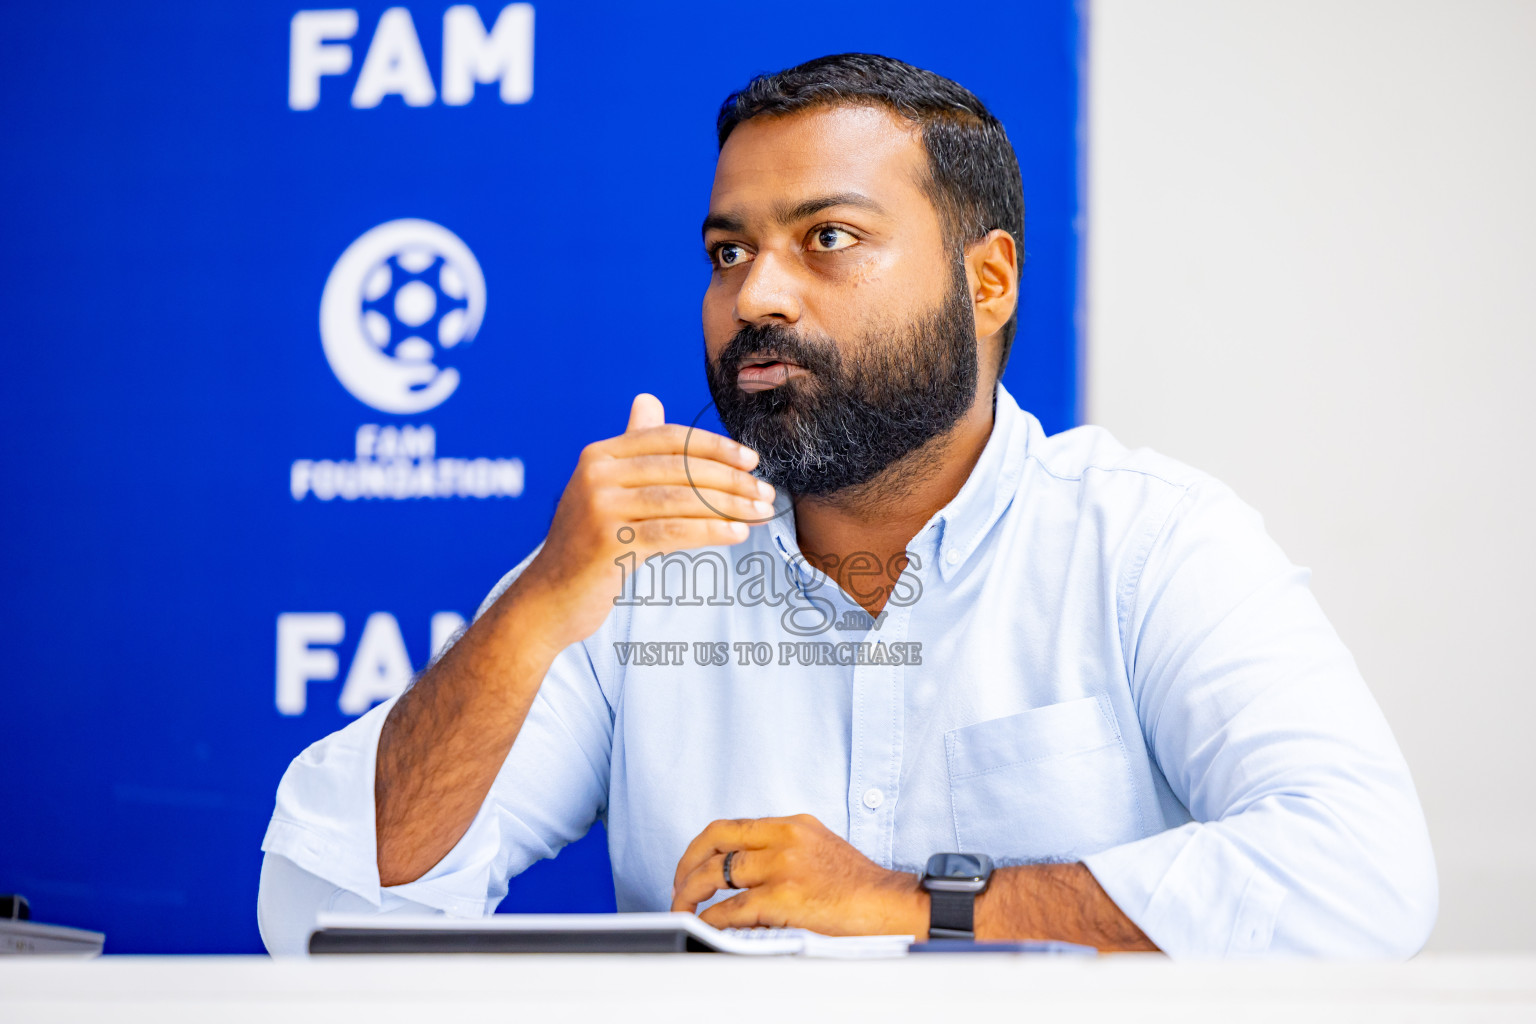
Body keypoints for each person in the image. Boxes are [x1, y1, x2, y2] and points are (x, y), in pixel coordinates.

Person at [258, 53, 1437, 957]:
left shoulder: (1147, 542)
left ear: (988, 281)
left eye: (828, 238)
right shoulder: (640, 566)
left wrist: (904, 906)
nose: (757, 295)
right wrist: (535, 612)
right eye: (728, 253)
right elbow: (321, 902)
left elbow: (1360, 879)